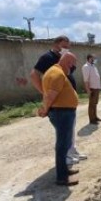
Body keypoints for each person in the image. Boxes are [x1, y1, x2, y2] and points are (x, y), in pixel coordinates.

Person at [30, 35, 87, 164]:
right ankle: (65, 156)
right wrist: (44, 93)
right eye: (64, 47)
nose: (67, 49)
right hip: (59, 102)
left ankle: (72, 151)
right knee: (63, 131)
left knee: (70, 128)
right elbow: (34, 75)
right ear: (56, 45)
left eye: (68, 47)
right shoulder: (47, 57)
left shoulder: (64, 58)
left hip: (67, 101)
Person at [37, 52, 80, 186]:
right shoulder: (57, 74)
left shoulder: (56, 71)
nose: (72, 67)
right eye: (72, 64)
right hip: (62, 113)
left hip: (63, 112)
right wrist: (44, 109)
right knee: (62, 145)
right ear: (67, 62)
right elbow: (50, 96)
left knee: (65, 143)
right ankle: (61, 177)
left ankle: (64, 171)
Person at [82, 53, 101, 125]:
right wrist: (88, 90)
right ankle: (92, 119)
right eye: (94, 58)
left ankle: (95, 116)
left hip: (96, 88)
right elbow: (86, 80)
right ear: (90, 58)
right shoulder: (86, 67)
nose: (95, 59)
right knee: (91, 104)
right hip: (92, 88)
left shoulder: (93, 66)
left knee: (95, 103)